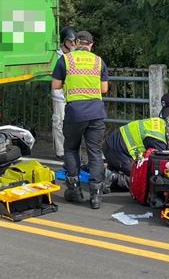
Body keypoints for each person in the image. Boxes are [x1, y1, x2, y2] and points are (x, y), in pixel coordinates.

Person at [51, 30, 109, 209]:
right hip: (96, 113)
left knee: (71, 149)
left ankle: (74, 190)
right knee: (95, 152)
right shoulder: (99, 61)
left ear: (76, 43)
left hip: (75, 113)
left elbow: (55, 85)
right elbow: (104, 89)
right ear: (91, 45)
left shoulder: (66, 60)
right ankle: (96, 195)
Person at [51, 27, 78, 159]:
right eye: (70, 41)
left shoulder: (75, 56)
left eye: (74, 41)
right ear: (64, 42)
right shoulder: (56, 56)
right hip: (59, 95)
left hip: (73, 95)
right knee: (59, 122)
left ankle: (71, 149)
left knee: (73, 124)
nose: (73, 44)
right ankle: (60, 151)